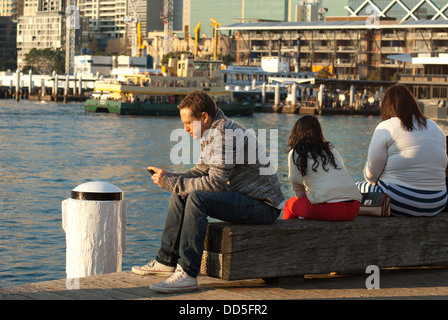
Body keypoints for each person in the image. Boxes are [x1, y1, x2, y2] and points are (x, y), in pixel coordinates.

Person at [132, 91, 284, 293]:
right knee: (181, 191)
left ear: (203, 117)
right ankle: (166, 260)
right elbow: (201, 171)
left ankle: (187, 272)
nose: (185, 129)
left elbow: (214, 185)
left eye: (188, 123)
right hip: (246, 199)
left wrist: (173, 182)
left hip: (264, 206)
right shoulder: (212, 131)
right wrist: (173, 177)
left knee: (196, 198)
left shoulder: (224, 135)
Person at [357, 84, 447, 217]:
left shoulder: (387, 127)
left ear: (386, 105)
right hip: (437, 201)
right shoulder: (434, 126)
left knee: (354, 188)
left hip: (401, 201)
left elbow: (371, 176)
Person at [283, 115, 361, 221]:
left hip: (331, 209)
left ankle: (290, 237)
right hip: (354, 207)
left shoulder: (296, 153)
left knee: (290, 205)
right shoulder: (331, 151)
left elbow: (299, 194)